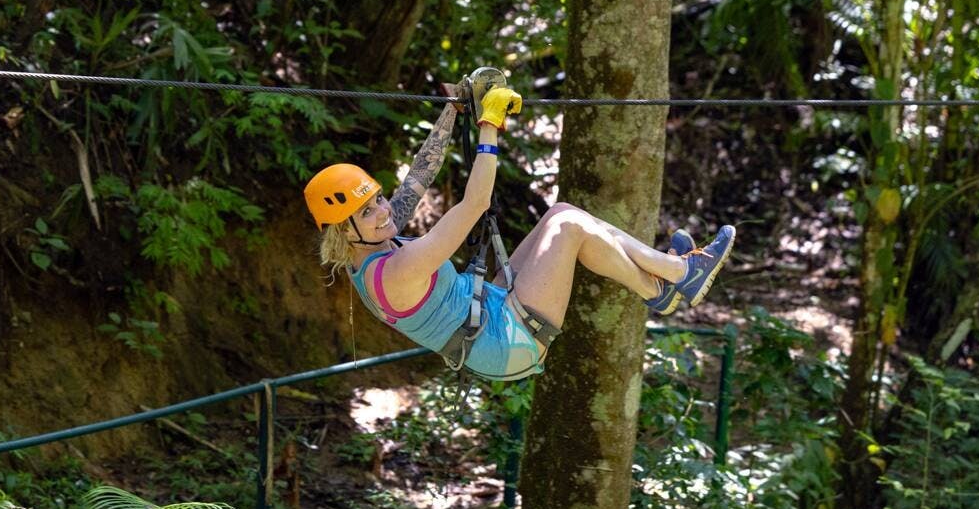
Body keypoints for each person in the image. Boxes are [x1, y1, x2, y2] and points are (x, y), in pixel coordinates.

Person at [304, 82, 735, 381]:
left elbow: (421, 171)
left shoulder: (375, 242)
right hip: (503, 342)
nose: (382, 213)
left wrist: (451, 112)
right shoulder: (396, 270)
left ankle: (660, 288)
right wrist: (489, 126)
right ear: (343, 235)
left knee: (563, 212)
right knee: (566, 227)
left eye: (377, 199)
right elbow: (474, 204)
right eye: (366, 213)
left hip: (487, 312)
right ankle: (679, 274)